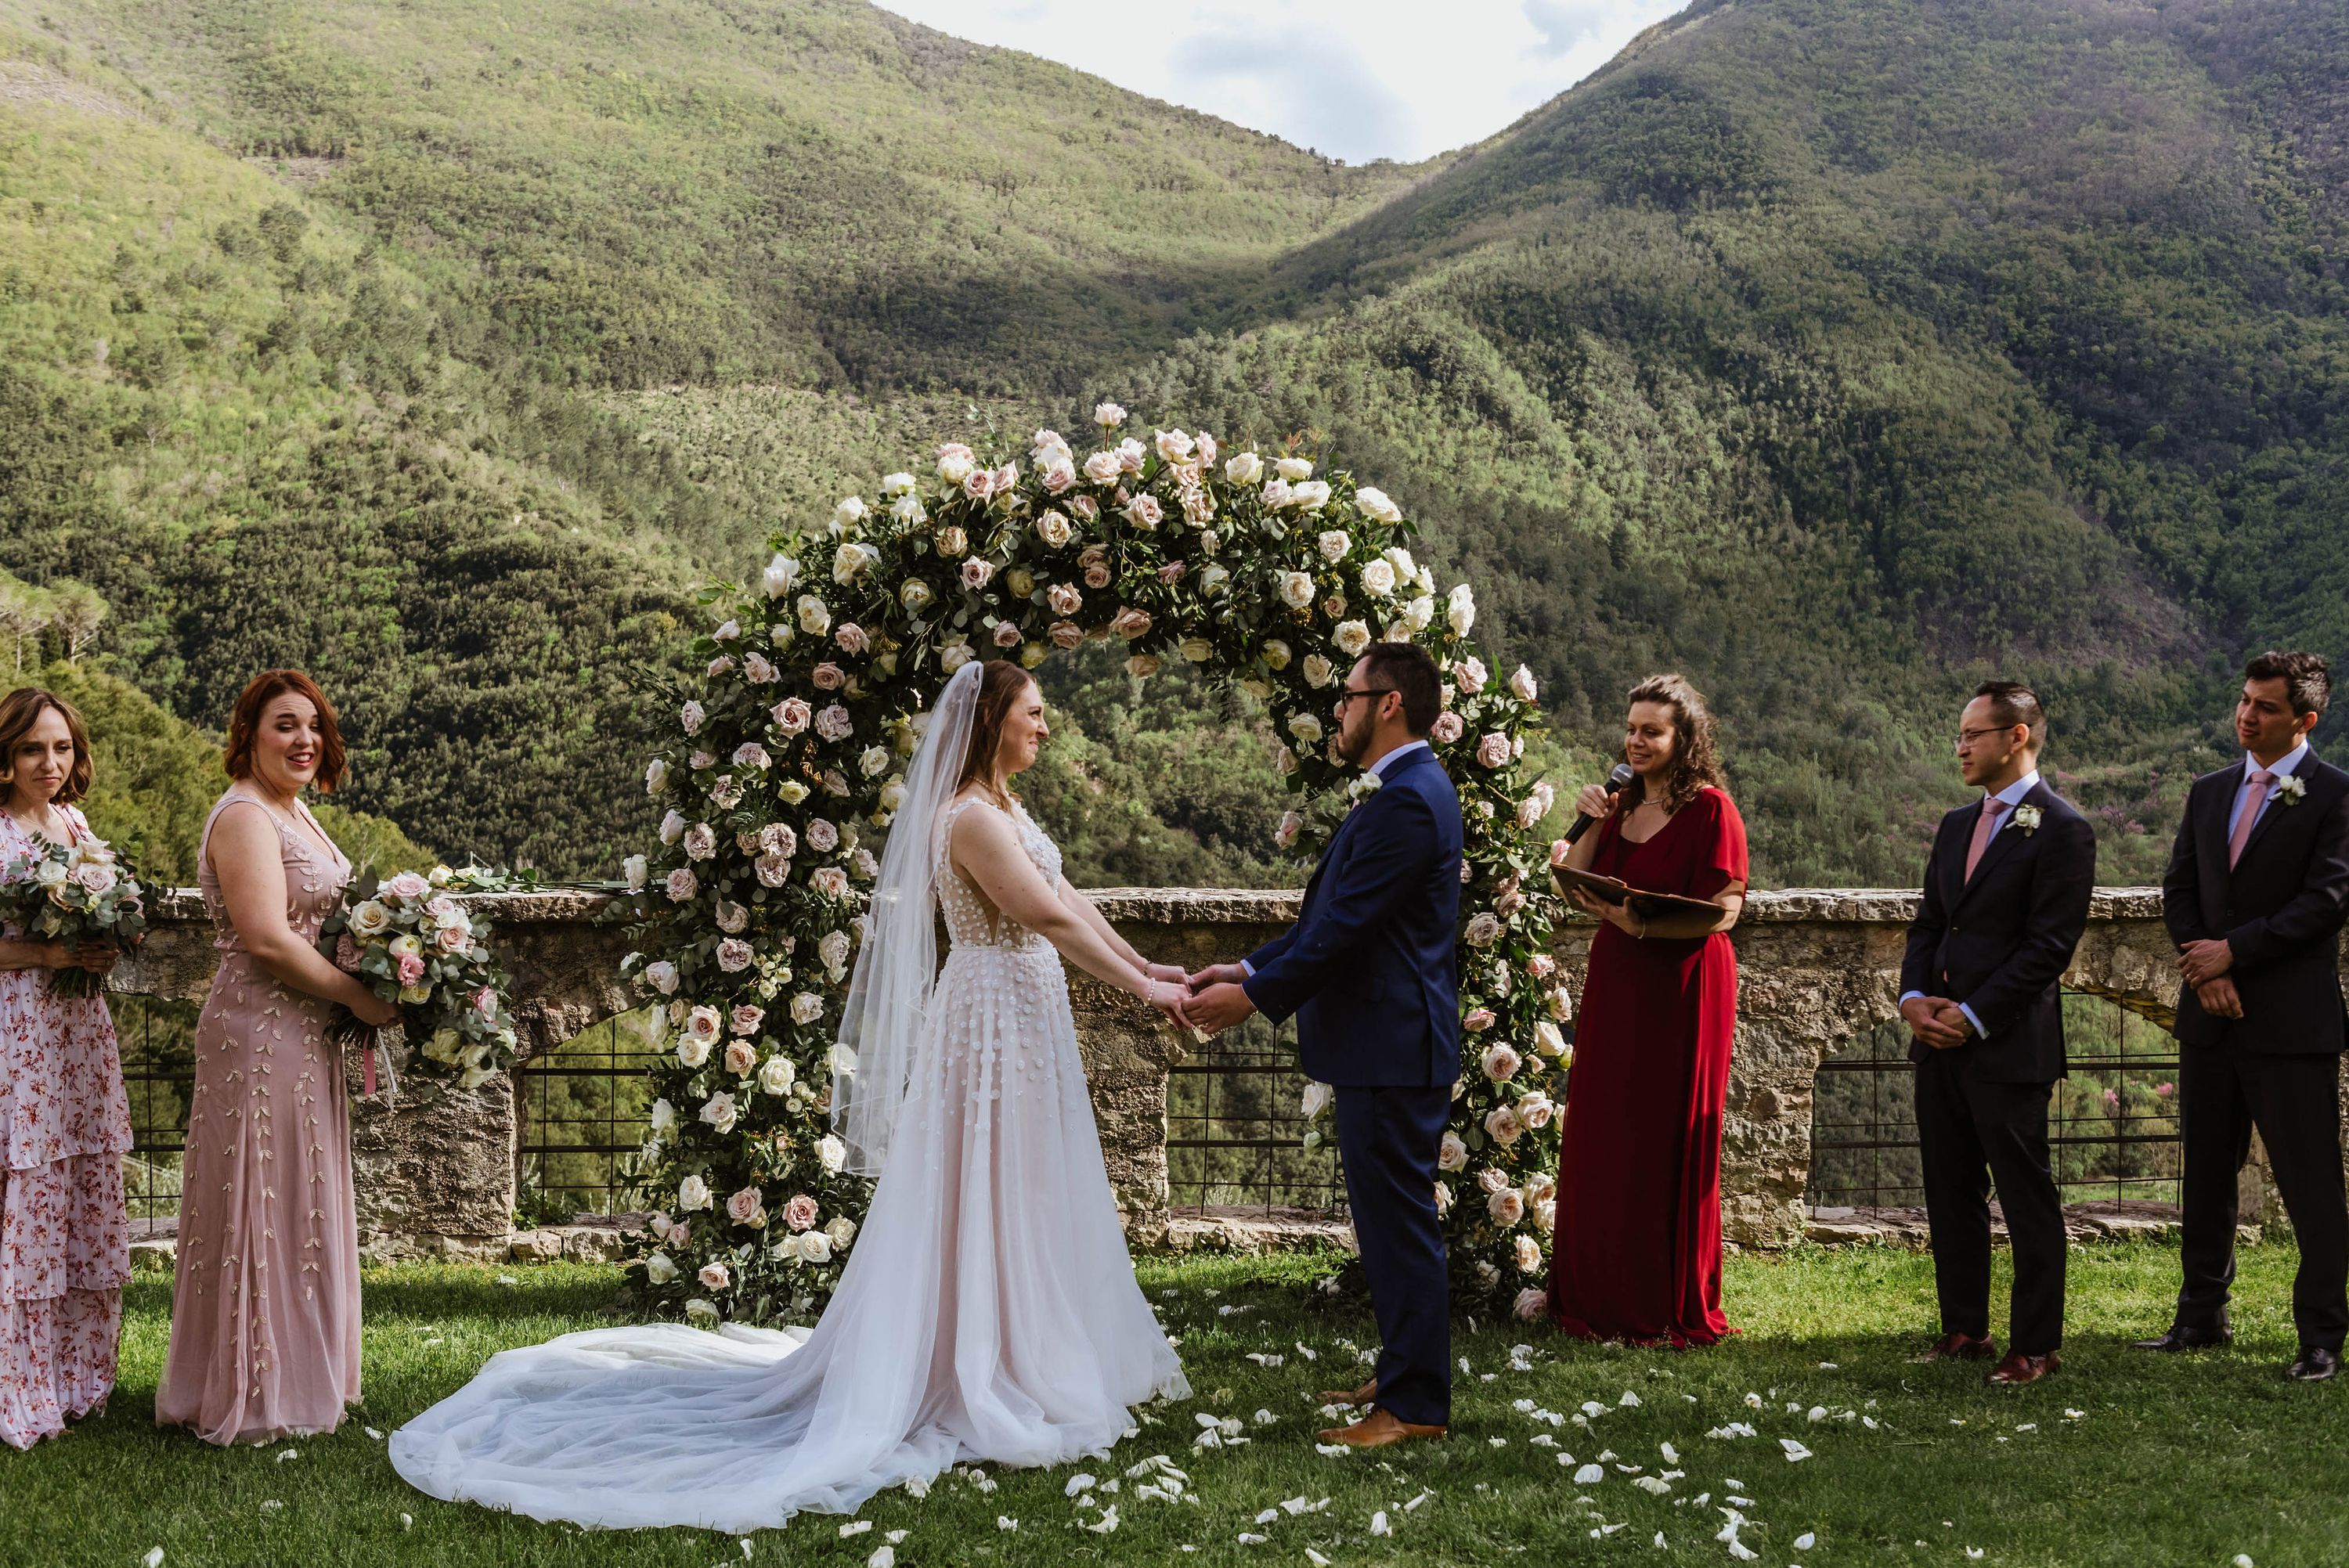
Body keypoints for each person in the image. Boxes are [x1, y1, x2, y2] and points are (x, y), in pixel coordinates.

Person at [391, 659, 1190, 1530]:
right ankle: (976, 1359)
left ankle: (1022, 1343)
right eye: (1033, 712)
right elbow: (1047, 917)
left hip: (1024, 1008)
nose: (1046, 726)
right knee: (984, 1175)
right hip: (993, 1012)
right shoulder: (969, 817)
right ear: (993, 718)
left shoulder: (1005, 805)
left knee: (1025, 1176)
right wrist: (1147, 994)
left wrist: (1150, 966)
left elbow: (1072, 894)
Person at [1184, 641, 1463, 1448]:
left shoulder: (1410, 798)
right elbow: (1326, 919)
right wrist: (1246, 962)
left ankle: (1414, 1404)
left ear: (1389, 704)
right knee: (1384, 1221)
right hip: (1384, 1041)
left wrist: (1255, 997)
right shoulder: (1401, 787)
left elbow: (1345, 931)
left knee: (1400, 1222)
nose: (1336, 710)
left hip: (1394, 1043)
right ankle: (1402, 1365)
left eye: (1348, 696)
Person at [155, 671, 395, 1445]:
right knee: (264, 1193)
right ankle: (254, 1387)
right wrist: (358, 998)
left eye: (315, 726)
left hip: (302, 1030)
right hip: (259, 1033)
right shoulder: (244, 815)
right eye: (285, 725)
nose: (304, 740)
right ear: (250, 733)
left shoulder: (293, 809)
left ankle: (302, 1372)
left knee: (303, 1191)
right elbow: (265, 937)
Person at [2138, 651, 2349, 1382]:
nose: (2246, 714)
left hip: (2290, 1023)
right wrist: (2204, 968)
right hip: (2210, 1019)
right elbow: (2179, 887)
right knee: (2205, 1172)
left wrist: (2234, 954)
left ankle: (2321, 1335)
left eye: (2264, 705)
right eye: (2244, 700)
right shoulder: (2209, 791)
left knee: (2310, 1181)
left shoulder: (2336, 796)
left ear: (2305, 720)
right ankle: (2200, 1313)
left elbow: (2324, 904)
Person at [1897, 682, 2097, 1385]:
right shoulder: (1955, 825)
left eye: (1974, 733)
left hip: (2009, 1044)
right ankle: (1965, 1329)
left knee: (2025, 1195)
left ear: (2018, 737)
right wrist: (1914, 996)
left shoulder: (2065, 828)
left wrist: (1974, 1014)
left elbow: (2048, 947)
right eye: (1960, 733)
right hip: (1937, 1040)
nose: (1960, 745)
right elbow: (1929, 923)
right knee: (1950, 1189)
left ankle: (2035, 1344)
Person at [1546, 673, 1747, 1346]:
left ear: (1683, 737)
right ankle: (1595, 1293)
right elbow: (1573, 883)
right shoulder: (1619, 803)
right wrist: (1590, 823)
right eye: (1631, 728)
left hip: (1686, 983)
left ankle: (1664, 1300)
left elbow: (1727, 910)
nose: (1636, 740)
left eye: (1651, 730)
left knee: (1666, 1133)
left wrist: (1642, 928)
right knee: (1606, 1128)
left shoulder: (1713, 809)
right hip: (1620, 976)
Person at [0, 687, 132, 1449]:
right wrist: (50, 953)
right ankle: (18, 1388)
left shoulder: (75, 822)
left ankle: (74, 1379)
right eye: (31, 749)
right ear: (5, 757)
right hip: (22, 1031)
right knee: (32, 1202)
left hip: (78, 1029)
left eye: (61, 748)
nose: (50, 763)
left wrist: (102, 945)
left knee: (79, 1200)